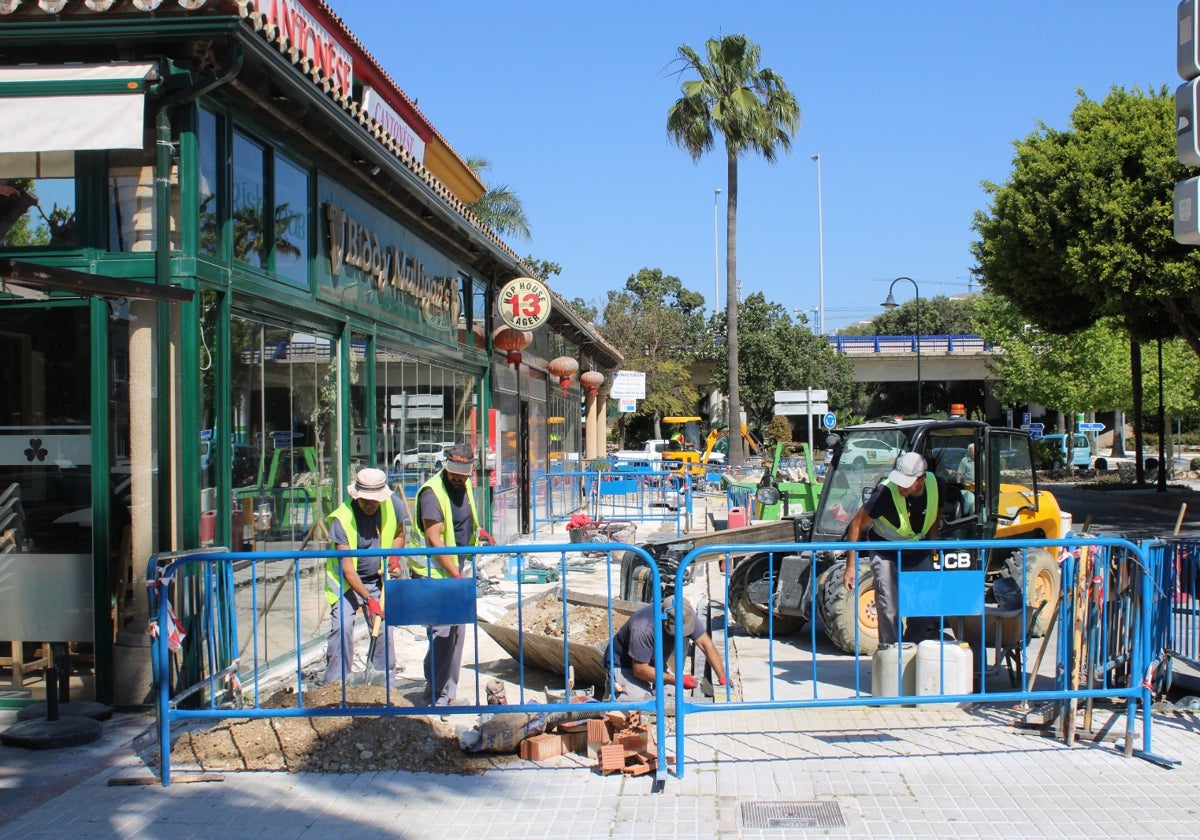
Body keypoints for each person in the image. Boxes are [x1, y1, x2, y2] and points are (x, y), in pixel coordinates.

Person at [842, 452, 941, 648]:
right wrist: (850, 567)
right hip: (886, 549)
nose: (901, 486)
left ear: (920, 479)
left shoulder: (936, 485)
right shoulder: (884, 494)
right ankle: (891, 652)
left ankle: (914, 650)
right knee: (889, 607)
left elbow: (935, 512)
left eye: (907, 482)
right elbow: (856, 525)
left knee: (923, 608)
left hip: (917, 547)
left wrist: (933, 544)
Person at [323, 467, 411, 684]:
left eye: (373, 500)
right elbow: (347, 569)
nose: (369, 504)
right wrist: (369, 600)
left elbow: (400, 535)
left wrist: (393, 559)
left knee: (382, 631)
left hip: (378, 580)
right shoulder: (342, 518)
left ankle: (383, 684)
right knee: (342, 628)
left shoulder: (393, 505)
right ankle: (336, 687)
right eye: (364, 500)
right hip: (347, 584)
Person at [413, 442, 483, 709]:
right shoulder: (432, 493)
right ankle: (434, 697)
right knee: (442, 636)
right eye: (453, 471)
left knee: (456, 635)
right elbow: (434, 540)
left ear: (470, 469)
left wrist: (481, 534)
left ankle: (447, 694)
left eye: (462, 472)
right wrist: (455, 574)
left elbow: (465, 523)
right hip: (436, 575)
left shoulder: (463, 486)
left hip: (455, 572)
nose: (457, 476)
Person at [603, 595, 729, 700]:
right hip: (626, 666)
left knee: (672, 698)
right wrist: (677, 680)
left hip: (654, 662)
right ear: (665, 621)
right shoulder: (643, 628)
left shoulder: (685, 615)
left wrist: (722, 677)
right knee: (638, 703)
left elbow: (705, 644)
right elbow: (640, 669)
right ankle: (613, 688)